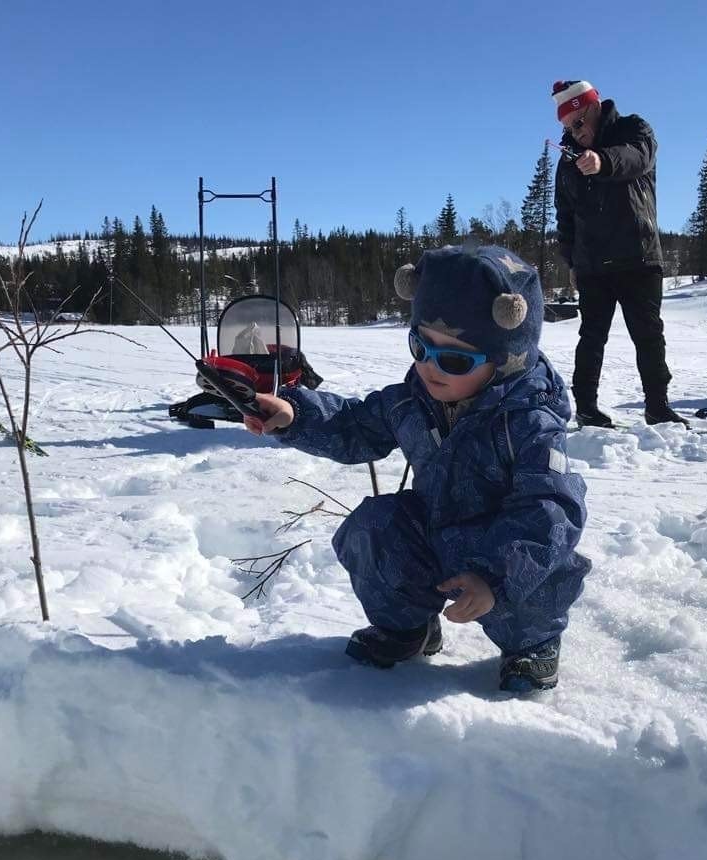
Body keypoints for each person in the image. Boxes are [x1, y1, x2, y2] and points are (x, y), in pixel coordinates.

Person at [243, 245, 590, 693]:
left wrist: (494, 578)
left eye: (455, 359)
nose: (429, 367)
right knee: (374, 526)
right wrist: (293, 416)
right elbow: (354, 426)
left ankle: (531, 646)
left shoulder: (528, 423)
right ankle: (408, 629)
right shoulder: (414, 398)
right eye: (419, 345)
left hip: (506, 553)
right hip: (438, 534)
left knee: (535, 582)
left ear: (504, 360)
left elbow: (551, 509)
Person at [552, 80, 688, 428]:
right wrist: (571, 259)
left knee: (648, 334)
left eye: (578, 123)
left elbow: (636, 158)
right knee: (591, 337)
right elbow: (564, 215)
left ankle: (658, 405)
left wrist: (601, 161)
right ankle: (586, 407)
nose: (575, 133)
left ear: (594, 107)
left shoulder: (633, 129)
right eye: (567, 128)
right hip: (592, 265)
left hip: (638, 257)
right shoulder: (568, 159)